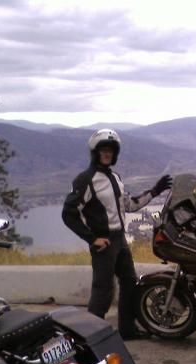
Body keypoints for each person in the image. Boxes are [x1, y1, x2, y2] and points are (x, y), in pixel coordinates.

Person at [62, 129, 172, 340]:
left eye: (110, 151)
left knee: (129, 282)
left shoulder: (115, 177)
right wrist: (92, 238)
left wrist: (155, 191)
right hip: (103, 242)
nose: (107, 154)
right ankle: (93, 337)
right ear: (95, 152)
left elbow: (129, 205)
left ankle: (127, 330)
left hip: (120, 239)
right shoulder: (86, 180)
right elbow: (68, 214)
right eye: (103, 150)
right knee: (103, 290)